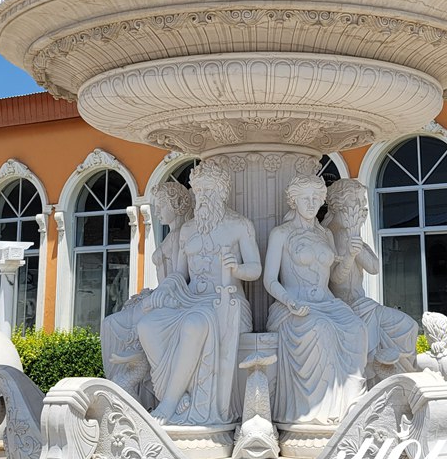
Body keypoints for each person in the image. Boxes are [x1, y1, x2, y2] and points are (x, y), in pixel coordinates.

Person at [137, 158, 261, 424]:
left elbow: (255, 269)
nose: (202, 197)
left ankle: (169, 403)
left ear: (222, 192)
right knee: (147, 325)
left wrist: (237, 268)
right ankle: (173, 392)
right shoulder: (188, 230)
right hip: (191, 299)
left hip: (225, 302)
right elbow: (180, 274)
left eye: (208, 191)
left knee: (194, 325)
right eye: (198, 191)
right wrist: (167, 287)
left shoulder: (239, 225)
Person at [265, 173, 368, 425]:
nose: (311, 204)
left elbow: (335, 277)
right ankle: (319, 409)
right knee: (320, 329)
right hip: (294, 306)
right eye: (305, 198)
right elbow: (269, 280)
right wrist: (289, 301)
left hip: (328, 303)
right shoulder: (281, 234)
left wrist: (350, 257)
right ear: (293, 201)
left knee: (356, 328)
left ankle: (351, 405)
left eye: (316, 198)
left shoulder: (326, 236)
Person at [101, 177, 194, 404]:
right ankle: (118, 383)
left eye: (162, 205)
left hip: (174, 297)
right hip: (161, 295)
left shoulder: (185, 234)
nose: (158, 211)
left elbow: (181, 275)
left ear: (177, 205)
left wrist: (160, 294)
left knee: (114, 323)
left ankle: (130, 382)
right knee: (110, 323)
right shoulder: (171, 236)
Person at [323, 178, 417, 381]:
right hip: (343, 306)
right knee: (396, 330)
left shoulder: (351, 233)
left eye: (362, 202)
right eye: (357, 201)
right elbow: (335, 279)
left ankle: (399, 372)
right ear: (339, 204)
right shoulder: (328, 233)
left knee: (408, 326)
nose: (362, 207)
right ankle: (381, 375)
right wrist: (349, 255)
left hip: (364, 304)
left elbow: (374, 268)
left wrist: (356, 243)